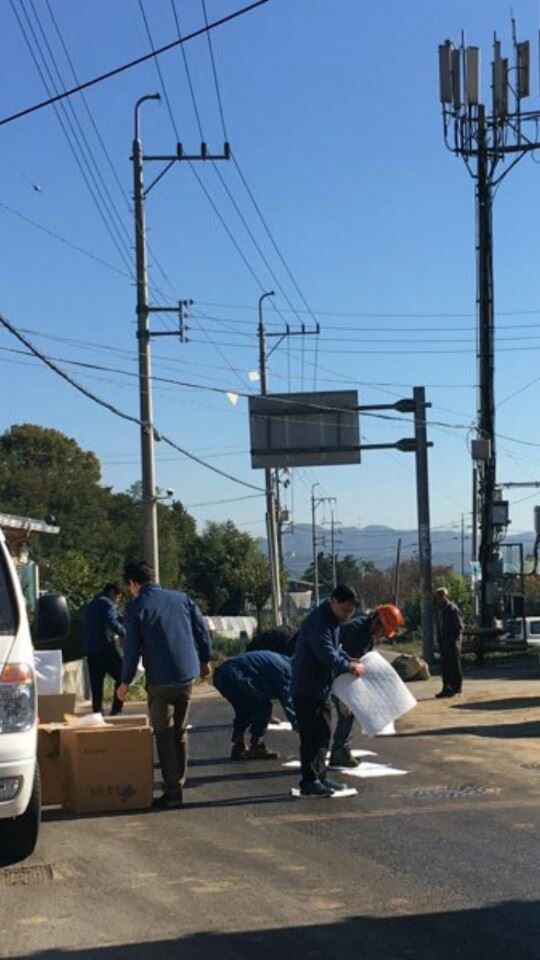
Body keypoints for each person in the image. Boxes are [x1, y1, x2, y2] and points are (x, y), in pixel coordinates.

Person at [117, 562, 212, 810]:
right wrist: (205, 660)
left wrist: (125, 681)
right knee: (180, 730)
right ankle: (179, 781)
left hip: (160, 679)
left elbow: (131, 649)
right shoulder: (181, 598)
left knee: (163, 733)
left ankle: (172, 792)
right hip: (186, 675)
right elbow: (201, 630)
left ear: (133, 583)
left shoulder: (136, 607)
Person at [291, 584, 364, 798]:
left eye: (350, 613)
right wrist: (350, 667)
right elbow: (326, 654)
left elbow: (335, 650)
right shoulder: (319, 622)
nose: (346, 616)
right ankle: (310, 781)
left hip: (320, 688)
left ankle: (320, 777)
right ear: (333, 601)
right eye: (344, 610)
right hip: (307, 688)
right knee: (311, 737)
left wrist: (349, 659)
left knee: (323, 734)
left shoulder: (332, 620)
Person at [329, 604, 405, 768]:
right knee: (345, 713)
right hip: (332, 675)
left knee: (349, 713)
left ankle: (341, 750)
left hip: (343, 674)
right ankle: (337, 752)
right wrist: (343, 695)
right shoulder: (357, 632)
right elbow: (342, 661)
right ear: (377, 621)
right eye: (383, 631)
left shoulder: (366, 631)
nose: (382, 636)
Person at [214, 650, 296, 760]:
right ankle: (256, 745)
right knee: (262, 706)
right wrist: (298, 725)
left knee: (244, 708)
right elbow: (288, 703)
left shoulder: (284, 661)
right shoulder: (288, 672)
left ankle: (239, 744)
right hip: (234, 674)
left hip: (221, 675)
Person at [83, 582, 126, 716]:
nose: (117, 601)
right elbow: (112, 623)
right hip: (106, 648)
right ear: (113, 593)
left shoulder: (91, 604)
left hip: (91, 650)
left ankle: (97, 712)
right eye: (118, 597)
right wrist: (126, 634)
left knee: (96, 685)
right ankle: (116, 709)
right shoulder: (107, 604)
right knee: (122, 676)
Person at [434, 587, 464, 698]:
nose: (438, 599)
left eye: (440, 596)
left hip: (452, 643)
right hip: (443, 642)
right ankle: (446, 688)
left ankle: (456, 688)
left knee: (454, 666)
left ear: (444, 596)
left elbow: (459, 627)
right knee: (445, 666)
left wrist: (455, 641)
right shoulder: (439, 609)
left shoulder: (452, 609)